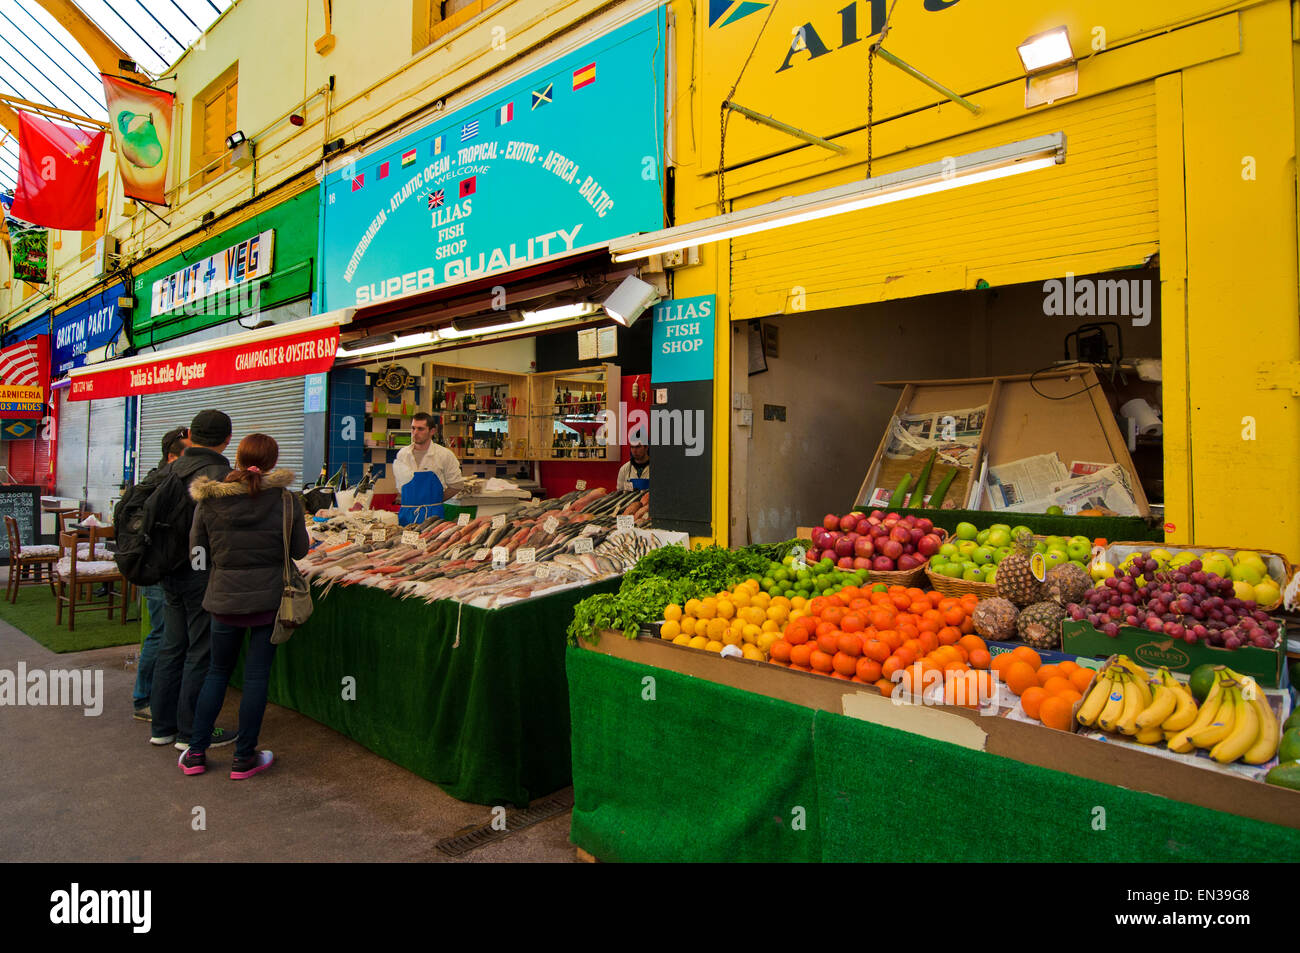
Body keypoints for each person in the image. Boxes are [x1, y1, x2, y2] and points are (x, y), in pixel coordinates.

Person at [180, 433, 309, 779]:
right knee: (256, 677)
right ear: (273, 461)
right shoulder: (285, 500)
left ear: (236, 459)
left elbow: (197, 556)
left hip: (223, 600)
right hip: (269, 602)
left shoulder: (208, 501)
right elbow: (299, 551)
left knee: (217, 673)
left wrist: (222, 570)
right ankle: (243, 757)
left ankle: (195, 753)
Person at [149, 410, 237, 751]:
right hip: (202, 572)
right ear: (227, 439)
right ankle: (192, 731)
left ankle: (163, 727)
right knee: (201, 651)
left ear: (191, 435)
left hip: (168, 570)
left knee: (173, 646)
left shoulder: (169, 468)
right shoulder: (220, 474)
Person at [132, 426, 190, 721]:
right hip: (158, 569)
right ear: (172, 456)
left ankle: (157, 697)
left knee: (165, 634)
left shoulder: (157, 479)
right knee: (162, 633)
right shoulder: (165, 482)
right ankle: (145, 699)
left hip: (161, 567)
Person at [391, 411, 464, 525]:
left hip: (432, 515)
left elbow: (456, 485)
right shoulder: (402, 454)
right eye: (413, 428)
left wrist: (435, 500)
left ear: (432, 431)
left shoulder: (444, 455)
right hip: (406, 514)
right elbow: (400, 486)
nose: (415, 433)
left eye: (420, 429)